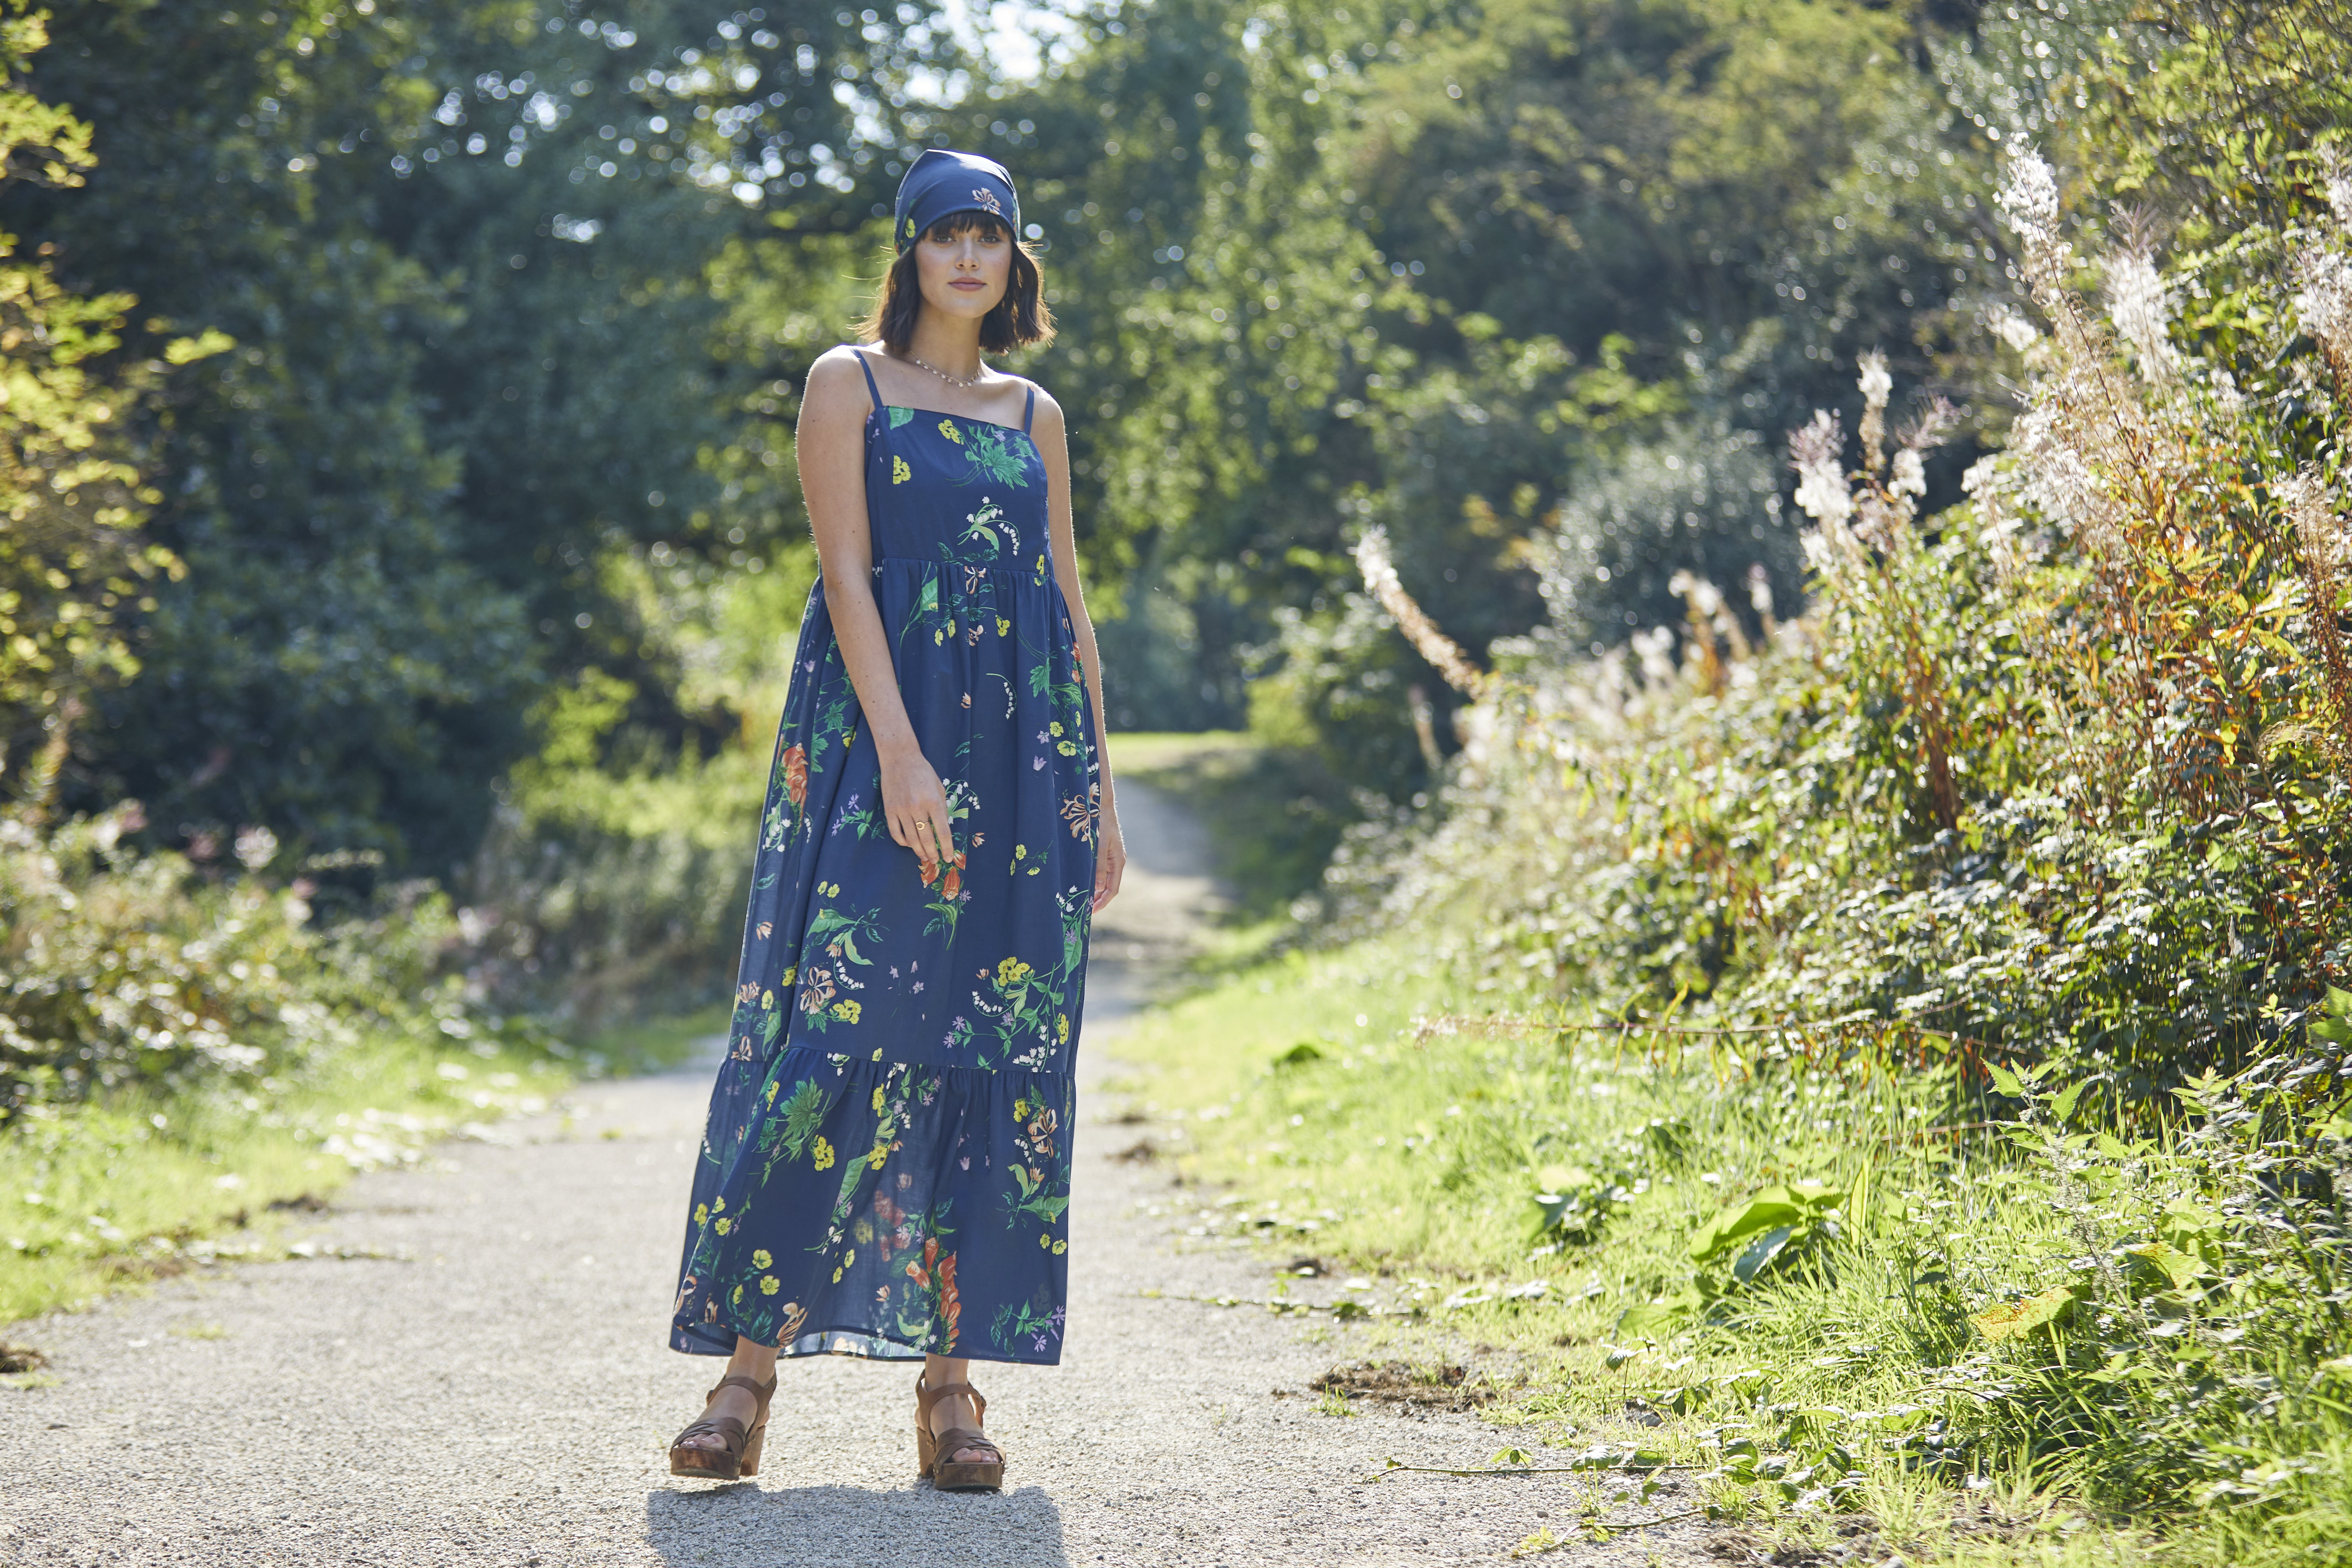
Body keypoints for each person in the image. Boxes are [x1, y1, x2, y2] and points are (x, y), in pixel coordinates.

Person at [662, 148, 1126, 1492]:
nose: (968, 259)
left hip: (1030, 769)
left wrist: (1095, 793)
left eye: (990, 237)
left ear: (1013, 261)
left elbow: (1068, 612)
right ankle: (745, 1381)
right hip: (888, 752)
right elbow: (849, 578)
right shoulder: (845, 384)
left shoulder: (1032, 409)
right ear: (913, 254)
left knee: (998, 1052)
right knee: (839, 1041)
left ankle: (954, 1396)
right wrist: (903, 758)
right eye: (946, 236)